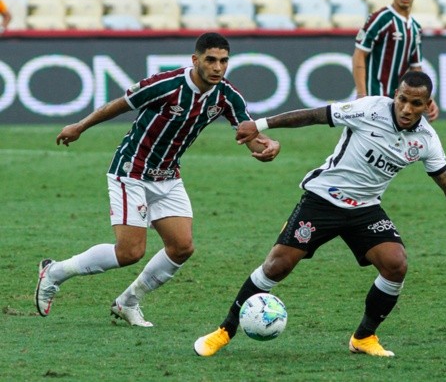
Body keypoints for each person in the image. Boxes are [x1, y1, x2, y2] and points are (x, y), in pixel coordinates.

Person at [193, 71, 446, 357]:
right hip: (322, 199)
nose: (406, 108)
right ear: (395, 95)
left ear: (427, 106)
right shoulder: (369, 109)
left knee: (396, 264)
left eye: (416, 103)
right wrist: (261, 125)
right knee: (277, 266)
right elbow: (315, 115)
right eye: (402, 99)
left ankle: (364, 337)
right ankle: (224, 331)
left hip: (365, 209)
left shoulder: (426, 140)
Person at [35, 32, 281, 327]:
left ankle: (128, 302)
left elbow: (247, 133)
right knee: (130, 252)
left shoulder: (227, 95)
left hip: (168, 176)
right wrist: (80, 126)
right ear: (195, 59)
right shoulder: (166, 84)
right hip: (131, 171)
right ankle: (54, 272)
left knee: (181, 247)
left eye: (223, 61)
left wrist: (266, 146)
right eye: (210, 60)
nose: (217, 67)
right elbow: (121, 104)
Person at [352, 0, 440, 121]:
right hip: (373, 97)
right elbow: (359, 54)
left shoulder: (415, 28)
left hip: (397, 101)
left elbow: (416, 68)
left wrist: (428, 98)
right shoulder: (380, 19)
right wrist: (361, 94)